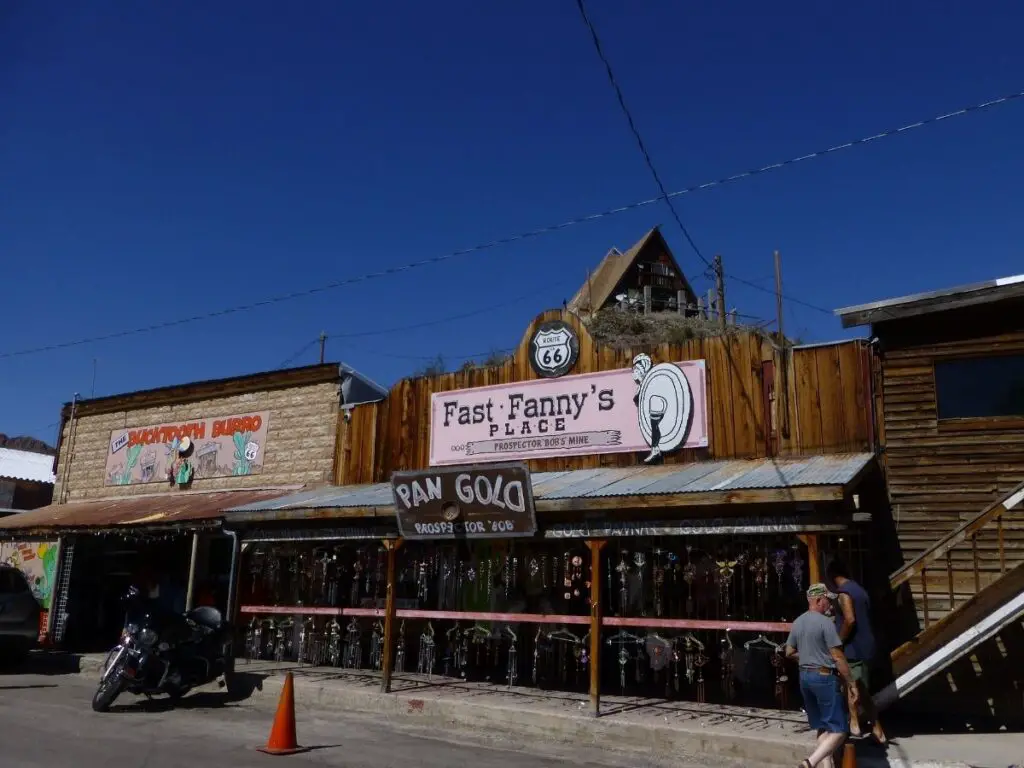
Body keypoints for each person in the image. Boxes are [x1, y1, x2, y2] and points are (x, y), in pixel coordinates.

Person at [785, 583, 859, 768]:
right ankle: (809, 763)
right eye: (827, 601)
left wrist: (809, 656)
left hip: (805, 677)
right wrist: (851, 682)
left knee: (822, 726)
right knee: (840, 729)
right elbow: (837, 656)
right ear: (818, 600)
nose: (831, 605)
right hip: (824, 678)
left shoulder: (798, 622)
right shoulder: (826, 623)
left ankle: (827, 766)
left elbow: (789, 652)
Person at [827, 558, 886, 744]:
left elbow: (850, 619)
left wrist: (839, 640)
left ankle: (855, 725)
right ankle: (877, 731)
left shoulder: (844, 593)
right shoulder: (859, 590)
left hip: (853, 647)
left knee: (851, 686)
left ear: (832, 575)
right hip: (865, 644)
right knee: (860, 687)